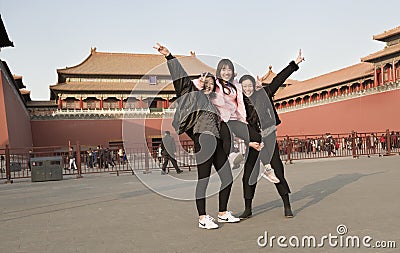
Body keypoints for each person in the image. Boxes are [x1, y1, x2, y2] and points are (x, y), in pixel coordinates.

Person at [154, 43, 240, 229]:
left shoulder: (212, 101)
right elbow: (182, 79)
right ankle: (202, 217)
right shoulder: (191, 96)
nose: (206, 82)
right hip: (204, 141)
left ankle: (223, 213)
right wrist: (169, 56)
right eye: (203, 80)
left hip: (216, 142)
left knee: (227, 178)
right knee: (204, 180)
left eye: (209, 81)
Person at [238, 50, 305, 219]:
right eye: (244, 86)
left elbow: (278, 80)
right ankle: (248, 208)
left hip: (268, 139)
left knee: (278, 171)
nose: (247, 89)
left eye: (249, 85)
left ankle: (287, 205)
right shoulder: (240, 104)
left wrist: (295, 63)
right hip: (254, 142)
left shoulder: (264, 94)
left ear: (254, 85)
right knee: (249, 175)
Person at [211, 58, 279, 183]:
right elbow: (199, 86)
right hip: (221, 120)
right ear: (218, 71)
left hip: (235, 119)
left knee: (257, 137)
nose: (226, 72)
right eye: (223, 69)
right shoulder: (214, 84)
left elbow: (249, 89)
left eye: (229, 69)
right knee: (226, 137)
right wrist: (202, 82)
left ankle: (267, 169)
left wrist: (257, 87)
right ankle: (231, 156)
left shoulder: (236, 85)